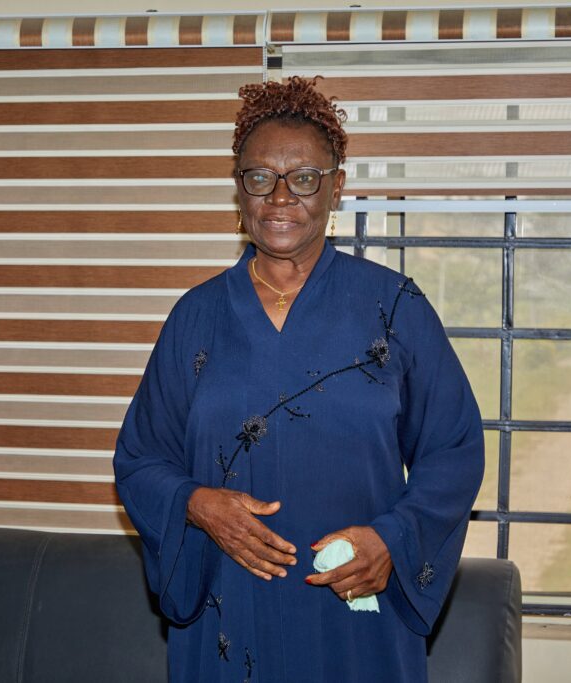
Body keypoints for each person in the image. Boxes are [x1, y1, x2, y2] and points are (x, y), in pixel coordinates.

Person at [114, 76, 484, 682]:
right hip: (229, 610)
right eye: (260, 177)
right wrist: (197, 506)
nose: (280, 197)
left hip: (355, 609)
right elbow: (140, 459)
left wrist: (391, 541)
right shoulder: (196, 317)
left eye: (304, 178)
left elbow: (455, 448)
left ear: (337, 187)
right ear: (239, 189)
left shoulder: (394, 308)